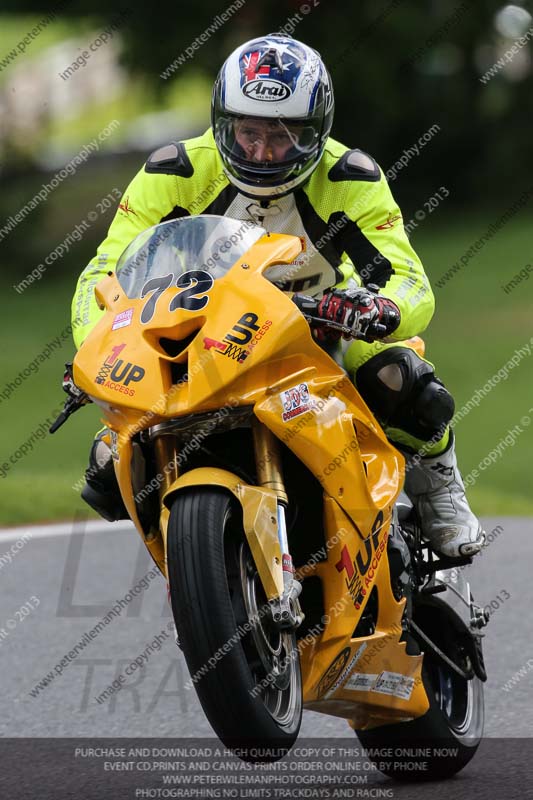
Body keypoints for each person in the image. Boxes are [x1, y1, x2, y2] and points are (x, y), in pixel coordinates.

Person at [72, 34, 484, 558]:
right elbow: (104, 273)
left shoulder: (349, 177)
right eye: (249, 134)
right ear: (225, 124)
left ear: (316, 133)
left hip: (324, 331)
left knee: (399, 377)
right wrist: (100, 343)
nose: (263, 152)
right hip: (212, 331)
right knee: (113, 457)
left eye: (283, 136)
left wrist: (379, 307)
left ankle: (439, 484)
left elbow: (409, 278)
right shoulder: (174, 172)